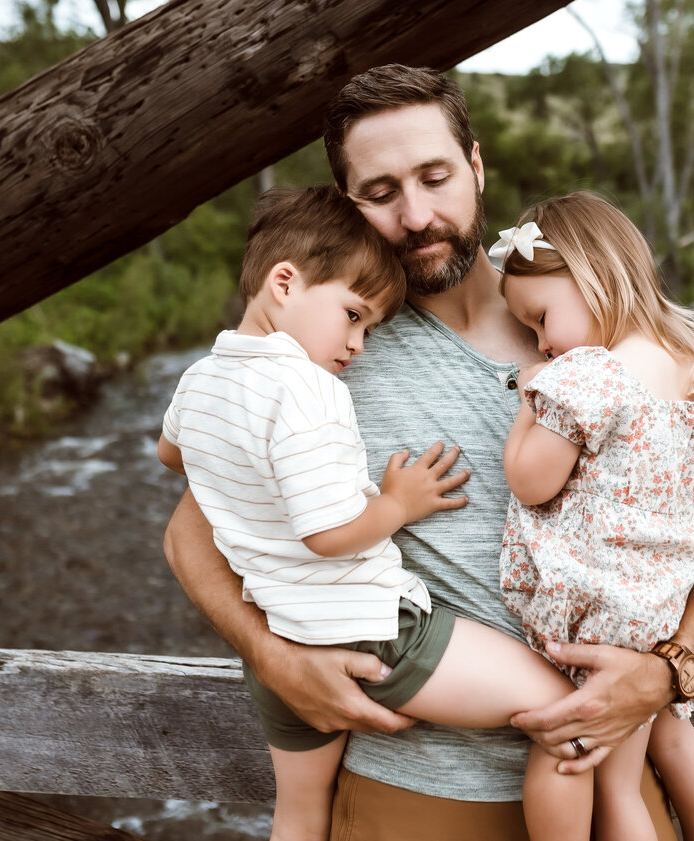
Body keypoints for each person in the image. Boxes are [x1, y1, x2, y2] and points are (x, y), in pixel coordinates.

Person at [162, 64, 694, 841]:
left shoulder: (592, 324)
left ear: (477, 168)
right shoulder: (327, 352)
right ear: (348, 203)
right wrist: (272, 655)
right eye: (380, 192)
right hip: (414, 794)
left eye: (435, 176)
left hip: (608, 778)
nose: (417, 215)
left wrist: (668, 667)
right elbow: (192, 529)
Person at [157, 185, 591, 841]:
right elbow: (328, 534)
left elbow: (173, 453)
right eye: (354, 315)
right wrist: (396, 504)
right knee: (565, 707)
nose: (358, 343)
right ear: (284, 282)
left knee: (299, 816)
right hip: (368, 628)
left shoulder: (199, 379)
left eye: (367, 326)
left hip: (282, 634)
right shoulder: (309, 385)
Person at [495, 191, 694, 841]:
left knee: (577, 761)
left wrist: (528, 400)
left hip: (605, 607)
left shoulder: (588, 377)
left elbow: (533, 483)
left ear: (592, 275)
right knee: (672, 736)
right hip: (670, 606)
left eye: (541, 318)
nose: (543, 341)